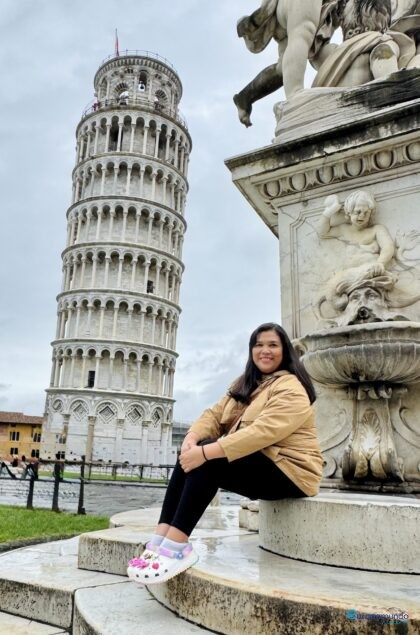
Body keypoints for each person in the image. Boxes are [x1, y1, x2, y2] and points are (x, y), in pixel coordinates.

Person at [127, 322, 323, 586]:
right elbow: (213, 415)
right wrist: (191, 440)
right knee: (193, 453)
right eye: (259, 345)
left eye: (273, 345)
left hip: (292, 472)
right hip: (262, 463)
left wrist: (206, 452)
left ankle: (177, 546)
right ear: (251, 350)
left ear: (285, 351)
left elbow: (263, 432)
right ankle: (160, 538)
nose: (265, 351)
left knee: (209, 459)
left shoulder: (291, 387)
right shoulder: (247, 383)